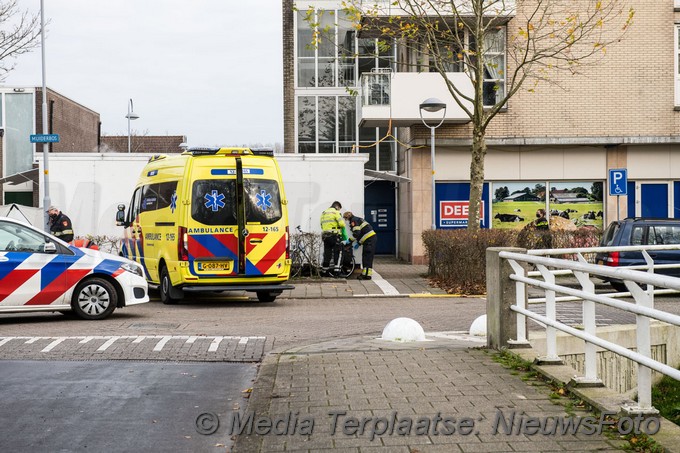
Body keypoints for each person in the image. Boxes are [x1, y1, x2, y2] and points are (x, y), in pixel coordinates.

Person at [343, 211, 377, 280]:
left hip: (369, 240)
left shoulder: (353, 221)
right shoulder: (357, 219)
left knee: (367, 257)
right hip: (370, 239)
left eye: (345, 219)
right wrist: (359, 243)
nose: (345, 221)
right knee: (367, 257)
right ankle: (366, 274)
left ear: (347, 217)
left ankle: (366, 275)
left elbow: (356, 233)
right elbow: (362, 233)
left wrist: (349, 240)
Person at [320, 201, 347, 275]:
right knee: (337, 252)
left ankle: (324, 271)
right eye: (339, 209)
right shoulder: (336, 212)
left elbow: (321, 225)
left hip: (325, 236)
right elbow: (342, 224)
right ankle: (337, 272)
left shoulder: (324, 213)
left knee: (327, 253)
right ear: (337, 207)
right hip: (334, 236)